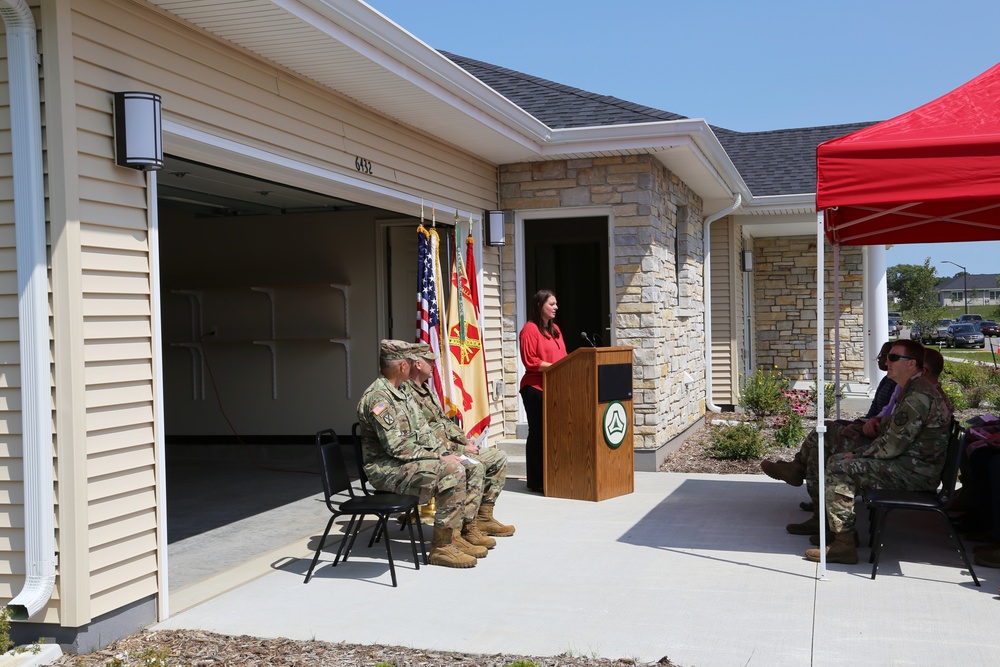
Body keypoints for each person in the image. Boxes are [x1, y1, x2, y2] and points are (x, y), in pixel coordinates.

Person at [802, 339, 952, 564]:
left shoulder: (917, 396)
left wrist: (859, 455)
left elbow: (893, 446)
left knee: (840, 468)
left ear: (911, 364)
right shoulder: (913, 390)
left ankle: (844, 544)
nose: (886, 362)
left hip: (915, 474)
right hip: (911, 465)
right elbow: (895, 430)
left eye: (893, 358)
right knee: (839, 460)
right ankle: (842, 535)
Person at [356, 339, 483, 569]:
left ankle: (455, 536)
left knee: (469, 465)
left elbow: (424, 434)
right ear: (403, 366)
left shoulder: (402, 391)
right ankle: (441, 548)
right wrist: (440, 458)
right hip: (386, 468)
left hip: (406, 462)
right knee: (451, 471)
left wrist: (447, 451)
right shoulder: (378, 398)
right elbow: (396, 447)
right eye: (409, 361)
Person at [762, 340, 897, 504]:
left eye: (886, 356)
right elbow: (874, 413)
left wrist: (863, 426)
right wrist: (857, 423)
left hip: (877, 442)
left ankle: (799, 473)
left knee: (823, 439)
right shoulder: (887, 381)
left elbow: (886, 423)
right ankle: (815, 499)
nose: (881, 359)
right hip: (872, 433)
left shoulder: (903, 388)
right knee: (824, 437)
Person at [406, 342, 515, 543]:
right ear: (417, 364)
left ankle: (483, 518)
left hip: (450, 447)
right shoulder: (406, 395)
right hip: (437, 453)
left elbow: (444, 423)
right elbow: (425, 435)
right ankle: (465, 527)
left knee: (497, 457)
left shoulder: (426, 390)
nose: (434, 364)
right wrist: (461, 448)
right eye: (429, 360)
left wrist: (466, 439)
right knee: (474, 467)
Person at [518, 289, 567, 493]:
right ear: (540, 306)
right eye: (551, 304)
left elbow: (565, 357)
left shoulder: (555, 330)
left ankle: (553, 475)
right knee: (538, 433)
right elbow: (531, 361)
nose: (556, 307)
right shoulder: (529, 330)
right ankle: (537, 480)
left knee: (553, 433)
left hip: (554, 388)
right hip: (535, 388)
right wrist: (555, 367)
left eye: (556, 304)